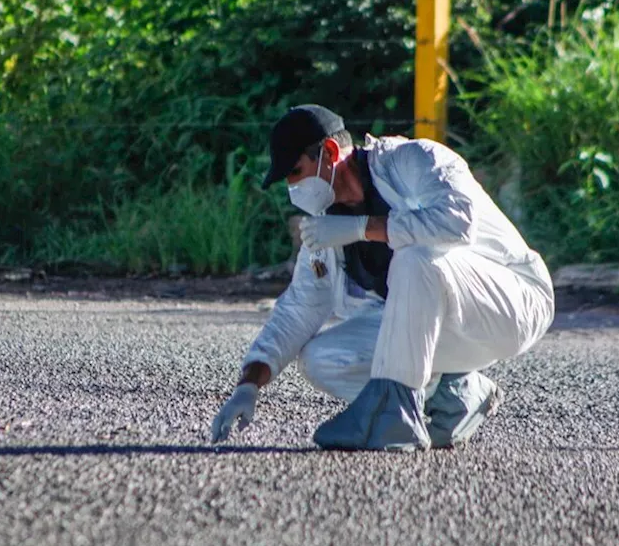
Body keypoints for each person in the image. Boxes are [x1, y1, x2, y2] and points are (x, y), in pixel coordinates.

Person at [209, 105, 555, 451]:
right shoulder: (326, 227)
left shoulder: (415, 160)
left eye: (296, 172)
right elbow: (298, 309)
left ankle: (398, 417)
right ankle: (454, 393)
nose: (293, 187)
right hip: (449, 332)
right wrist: (249, 384)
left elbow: (457, 222)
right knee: (322, 359)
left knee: (415, 255)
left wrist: (363, 228)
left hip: (515, 302)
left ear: (329, 153)